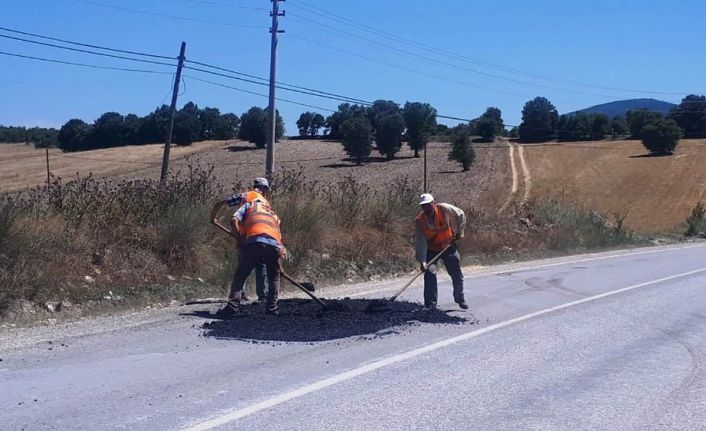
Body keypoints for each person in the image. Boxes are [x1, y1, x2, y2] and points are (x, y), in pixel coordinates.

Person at [216, 189, 284, 316]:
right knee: (274, 278)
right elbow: (279, 240)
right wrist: (280, 267)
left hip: (254, 242)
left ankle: (233, 306)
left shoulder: (249, 205)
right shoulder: (273, 213)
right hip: (274, 245)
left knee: (241, 274)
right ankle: (272, 308)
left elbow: (233, 220)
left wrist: (239, 238)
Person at [210, 177, 271, 303]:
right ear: (264, 189)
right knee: (261, 266)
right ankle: (262, 297)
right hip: (263, 238)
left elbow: (221, 203)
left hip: (246, 238)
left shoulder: (245, 196)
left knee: (243, 267)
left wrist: (213, 217)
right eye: (267, 190)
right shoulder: (265, 203)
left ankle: (241, 296)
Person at [415, 193, 468, 310]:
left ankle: (460, 298)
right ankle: (430, 305)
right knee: (430, 274)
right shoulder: (420, 221)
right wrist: (423, 261)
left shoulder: (443, 208)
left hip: (448, 247)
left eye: (428, 205)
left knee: (456, 274)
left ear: (433, 203)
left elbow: (460, 214)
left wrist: (460, 231)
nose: (426, 208)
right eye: (424, 206)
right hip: (432, 250)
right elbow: (420, 243)